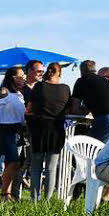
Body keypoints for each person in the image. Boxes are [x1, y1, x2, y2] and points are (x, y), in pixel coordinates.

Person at [27, 62, 71, 201]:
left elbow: (29, 107)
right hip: (56, 130)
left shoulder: (40, 86)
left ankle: (34, 199)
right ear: (60, 73)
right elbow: (69, 109)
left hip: (38, 129)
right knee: (51, 168)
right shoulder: (65, 89)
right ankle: (47, 200)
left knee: (36, 167)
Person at [0, 66, 27, 202]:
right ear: (13, 78)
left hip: (18, 130)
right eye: (21, 76)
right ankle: (4, 193)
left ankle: (6, 193)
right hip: (6, 129)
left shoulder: (20, 94)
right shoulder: (5, 91)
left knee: (12, 163)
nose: (24, 78)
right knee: (13, 162)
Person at [70, 61, 109, 143]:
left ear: (81, 71)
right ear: (95, 70)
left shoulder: (82, 81)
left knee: (91, 147)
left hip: (108, 118)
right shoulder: (104, 80)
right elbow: (102, 100)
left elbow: (74, 107)